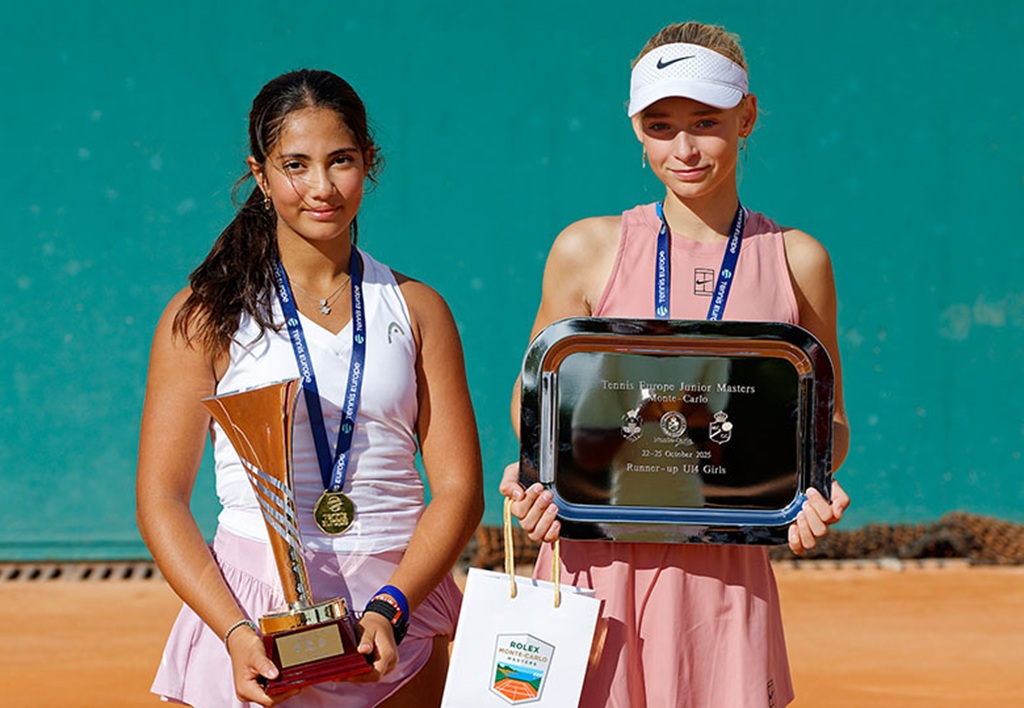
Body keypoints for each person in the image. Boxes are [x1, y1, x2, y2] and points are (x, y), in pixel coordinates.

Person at [500, 22, 851, 707]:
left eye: (706, 122)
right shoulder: (585, 247)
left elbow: (827, 419)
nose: (684, 148)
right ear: (636, 129)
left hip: (724, 574)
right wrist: (538, 471)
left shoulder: (798, 260)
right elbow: (532, 399)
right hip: (591, 564)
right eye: (660, 126)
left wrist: (813, 483)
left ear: (747, 116)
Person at [137, 69, 484, 708]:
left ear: (368, 164)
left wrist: (393, 607)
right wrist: (236, 631)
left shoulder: (419, 309)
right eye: (295, 164)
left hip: (396, 610)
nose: (321, 187)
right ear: (261, 176)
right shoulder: (202, 316)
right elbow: (161, 500)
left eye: (341, 161)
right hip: (247, 614)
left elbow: (459, 490)